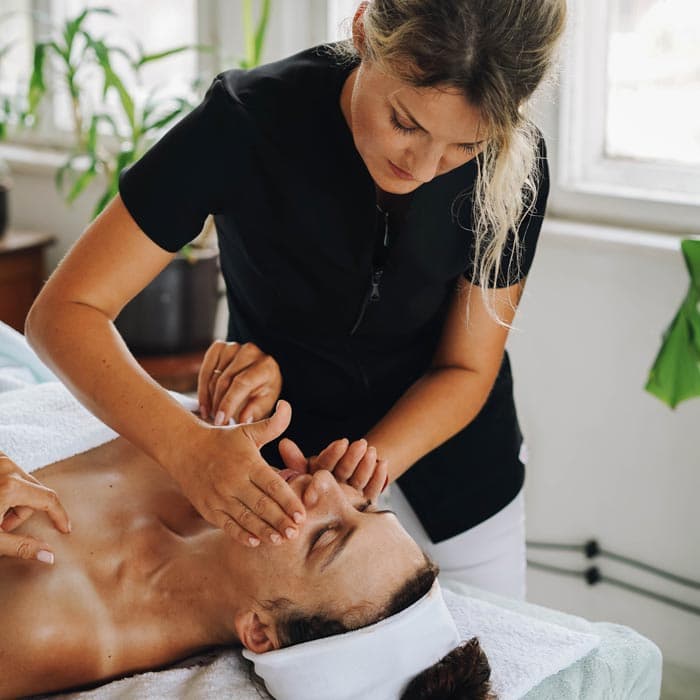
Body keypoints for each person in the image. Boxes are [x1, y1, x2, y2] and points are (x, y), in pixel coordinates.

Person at [25, 0, 567, 598]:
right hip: (286, 490)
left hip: (464, 480)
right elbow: (64, 313)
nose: (424, 165)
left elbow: (467, 367)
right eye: (406, 123)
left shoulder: (517, 165)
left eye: (464, 146)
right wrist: (186, 449)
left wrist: (370, 466)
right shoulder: (245, 122)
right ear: (363, 30)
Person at [0, 428, 492, 700]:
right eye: (363, 506)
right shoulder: (228, 465)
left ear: (259, 632)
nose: (324, 487)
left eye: (324, 536)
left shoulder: (42, 626)